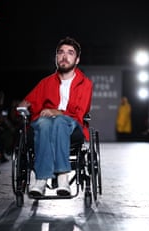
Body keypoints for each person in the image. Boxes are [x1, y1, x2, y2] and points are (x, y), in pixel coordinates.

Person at [18, 36, 93, 196]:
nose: (65, 56)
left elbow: (80, 112)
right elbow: (26, 102)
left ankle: (62, 177)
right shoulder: (45, 82)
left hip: (72, 127)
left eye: (70, 53)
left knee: (59, 121)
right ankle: (41, 180)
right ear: (56, 57)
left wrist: (57, 112)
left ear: (77, 59)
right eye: (61, 52)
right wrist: (22, 108)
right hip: (43, 126)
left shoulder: (85, 84)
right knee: (44, 123)